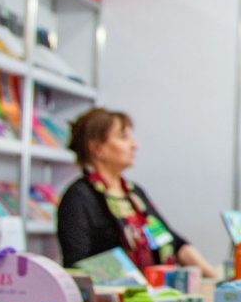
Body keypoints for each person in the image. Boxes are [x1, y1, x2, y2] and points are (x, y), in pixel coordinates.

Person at [56, 107, 219, 279]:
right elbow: (76, 266)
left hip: (156, 295)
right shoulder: (78, 197)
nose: (134, 145)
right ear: (97, 148)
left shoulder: (134, 194)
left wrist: (216, 279)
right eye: (123, 137)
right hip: (114, 301)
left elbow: (173, 242)